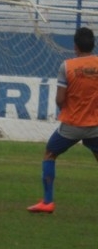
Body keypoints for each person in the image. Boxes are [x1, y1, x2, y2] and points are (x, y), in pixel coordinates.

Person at [28, 26, 98, 213]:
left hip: (72, 124)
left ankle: (48, 202)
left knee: (50, 154)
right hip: (95, 124)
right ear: (93, 45)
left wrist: (68, 108)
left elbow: (60, 99)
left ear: (75, 46)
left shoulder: (67, 66)